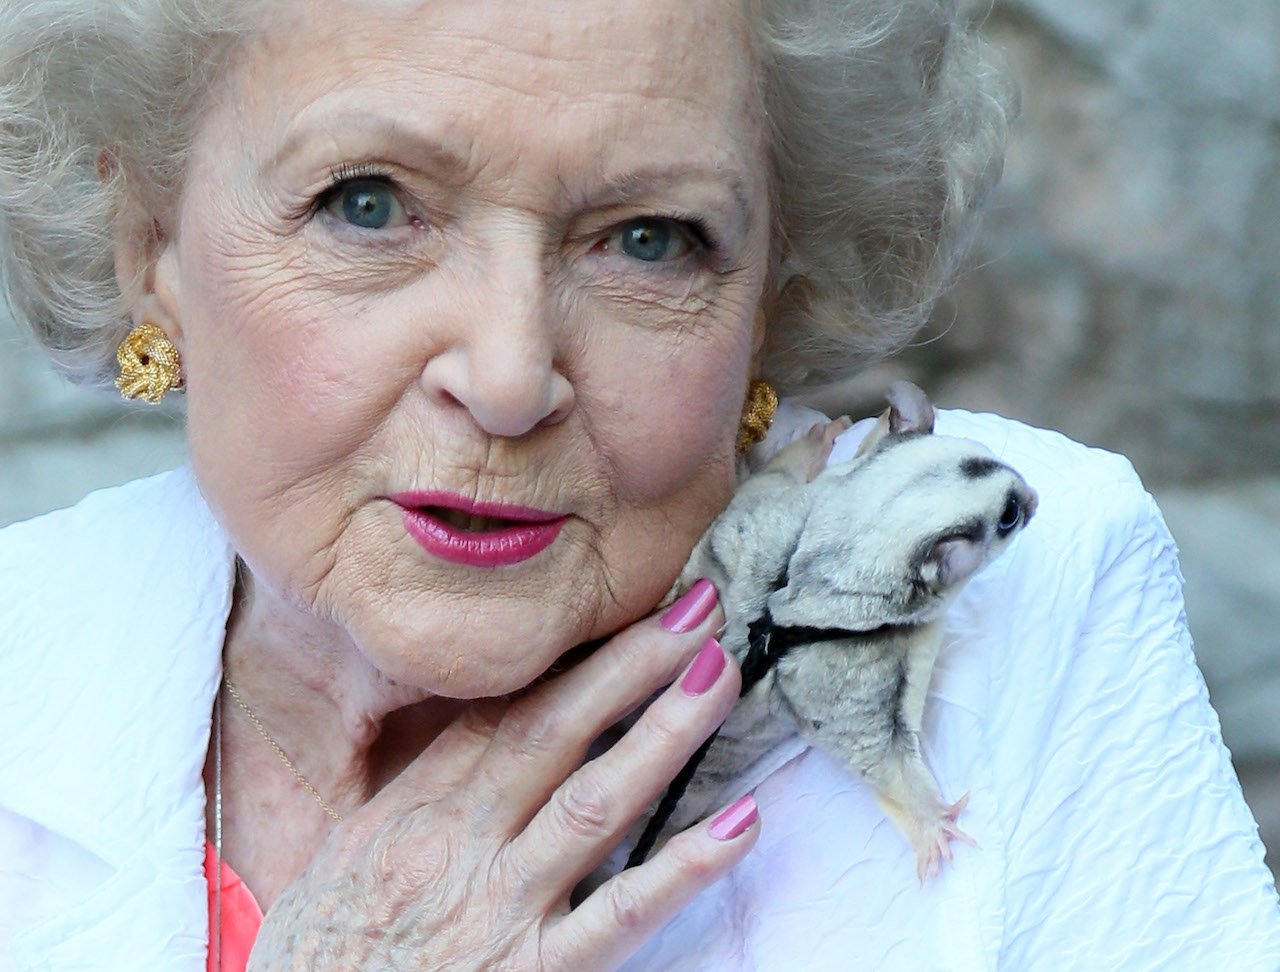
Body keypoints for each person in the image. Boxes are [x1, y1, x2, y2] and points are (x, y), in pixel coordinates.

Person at [1, 0, 1277, 969]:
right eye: (371, 205)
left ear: (772, 302)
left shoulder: (997, 580)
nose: (509, 377)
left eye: (648, 240)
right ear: (151, 247)